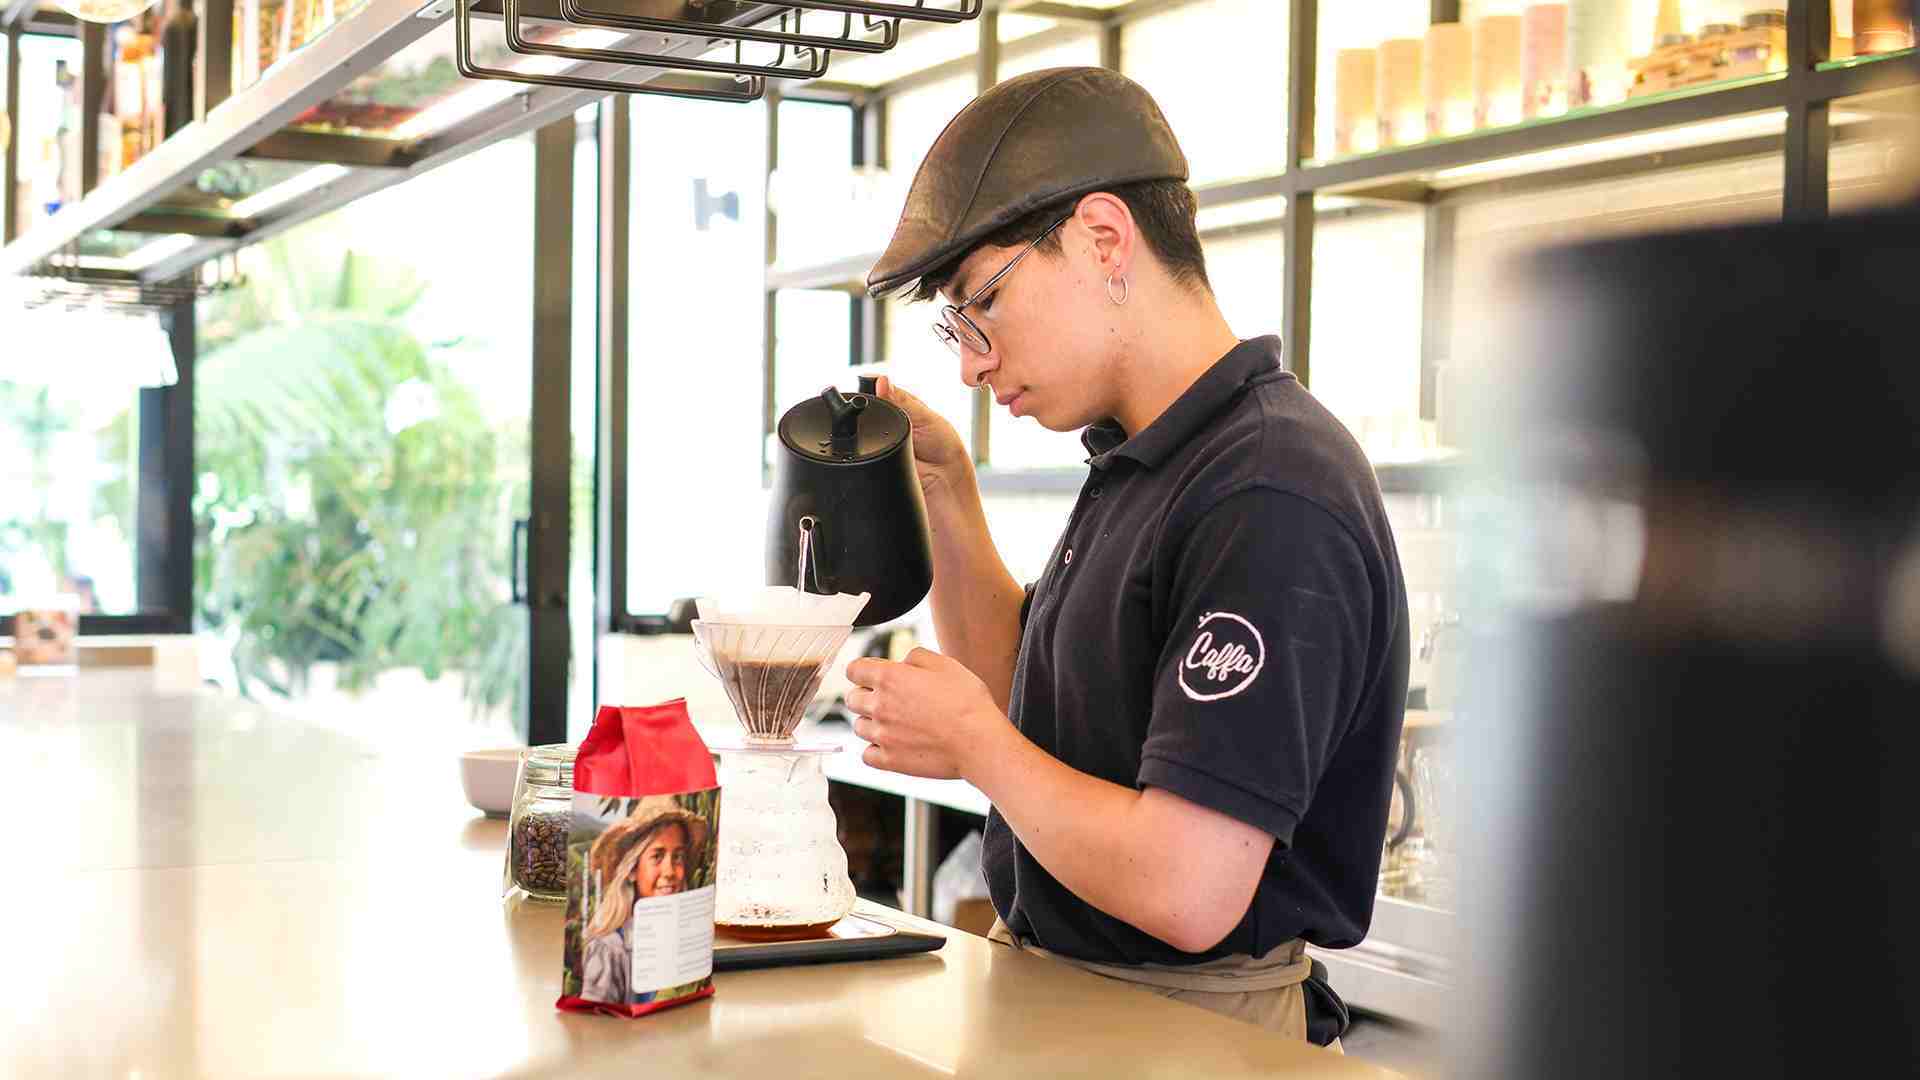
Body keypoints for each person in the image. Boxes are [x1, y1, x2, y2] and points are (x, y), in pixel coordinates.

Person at [842, 67, 1410, 1048]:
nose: (971, 363)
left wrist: (976, 745)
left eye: (981, 306)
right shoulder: (1142, 460)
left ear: (1104, 240)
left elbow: (1188, 887)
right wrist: (946, 494)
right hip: (1076, 998)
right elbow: (1025, 700)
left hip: (1190, 1029)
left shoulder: (1268, 487)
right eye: (954, 329)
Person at [579, 798, 708, 1006]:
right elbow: (595, 1016)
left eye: (677, 857)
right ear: (632, 870)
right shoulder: (610, 949)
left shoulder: (683, 937)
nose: (669, 871)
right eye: (657, 856)